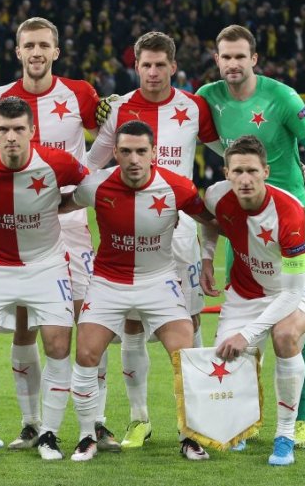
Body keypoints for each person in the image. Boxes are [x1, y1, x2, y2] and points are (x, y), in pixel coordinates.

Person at [197, 24, 305, 448]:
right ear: (216, 60)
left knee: (291, 319)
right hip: (242, 204)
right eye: (226, 56)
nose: (233, 63)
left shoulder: (282, 97)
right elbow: (206, 140)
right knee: (244, 305)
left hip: (286, 210)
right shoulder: (208, 97)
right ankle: (246, 419)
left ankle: (300, 420)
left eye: (240, 56)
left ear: (254, 59)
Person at [0, 17, 108, 450]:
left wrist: (84, 181)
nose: (36, 52)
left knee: (86, 321)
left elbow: (108, 138)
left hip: (69, 222)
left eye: (43, 45)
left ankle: (96, 420)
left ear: (56, 51)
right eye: (29, 45)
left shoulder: (81, 93)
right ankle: (31, 423)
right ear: (18, 51)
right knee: (24, 325)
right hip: (21, 227)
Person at [88, 31, 220, 448]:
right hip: (132, 231)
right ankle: (139, 418)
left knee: (191, 321)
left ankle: (197, 420)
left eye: (161, 65)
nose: (153, 72)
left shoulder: (193, 106)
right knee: (132, 322)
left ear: (173, 67)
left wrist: (277, 165)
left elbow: (228, 150)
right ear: (136, 66)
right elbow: (92, 163)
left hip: (181, 230)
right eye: (146, 64)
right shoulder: (120, 108)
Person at [65, 121, 216, 462]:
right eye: (126, 151)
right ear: (115, 153)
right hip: (108, 283)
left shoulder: (177, 187)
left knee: (185, 356)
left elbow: (213, 221)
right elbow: (58, 206)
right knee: (86, 354)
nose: (134, 159)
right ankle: (87, 435)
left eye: (141, 151)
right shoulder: (95, 185)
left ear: (154, 153)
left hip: (159, 281)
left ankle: (189, 436)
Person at [0, 96, 89, 462]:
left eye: (18, 129)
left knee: (58, 345)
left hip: (47, 264)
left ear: (32, 130)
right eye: (3, 130)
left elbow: (91, 186)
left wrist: (66, 205)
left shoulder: (57, 162)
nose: (11, 137)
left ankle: (49, 434)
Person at [200, 135, 305, 467]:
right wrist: (207, 258)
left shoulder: (290, 213)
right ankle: (242, 425)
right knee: (226, 359)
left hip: (292, 289)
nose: (245, 179)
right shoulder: (216, 195)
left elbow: (291, 294)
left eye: (252, 171)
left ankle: (285, 435)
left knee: (284, 336)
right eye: (238, 171)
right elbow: (210, 222)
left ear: (266, 172)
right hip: (243, 292)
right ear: (226, 173)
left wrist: (247, 334)